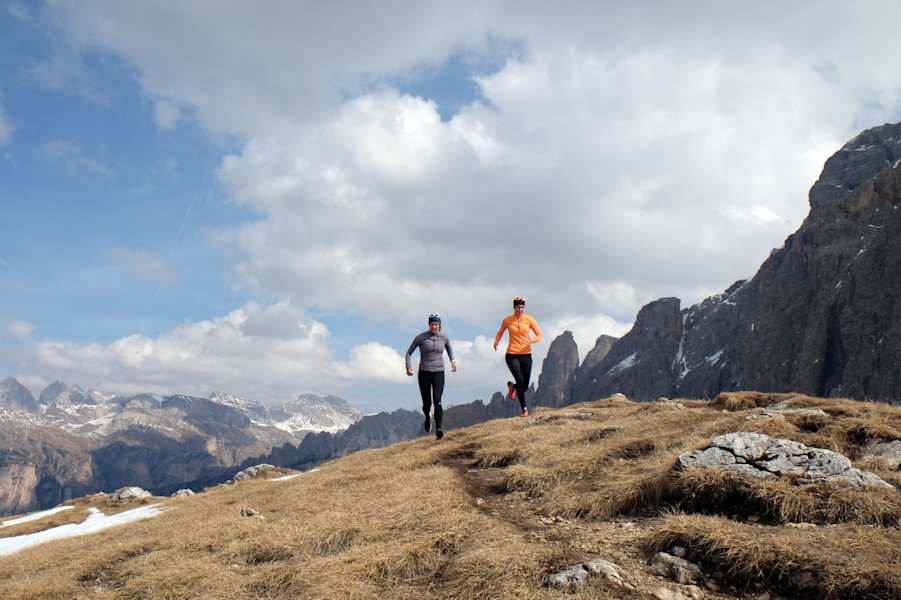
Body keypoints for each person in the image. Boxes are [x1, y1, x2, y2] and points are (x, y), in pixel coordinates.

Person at [406, 313, 457, 440]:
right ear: (429, 325)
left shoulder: (444, 337)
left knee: (437, 400)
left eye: (436, 324)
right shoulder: (421, 338)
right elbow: (409, 353)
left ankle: (439, 429)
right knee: (427, 403)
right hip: (424, 373)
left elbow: (449, 348)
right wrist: (408, 367)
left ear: (439, 325)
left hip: (439, 372)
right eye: (432, 324)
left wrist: (453, 361)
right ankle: (428, 417)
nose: (434, 326)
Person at [494, 296, 543, 416]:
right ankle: (524, 409)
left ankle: (513, 386)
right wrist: (496, 341)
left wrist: (532, 340)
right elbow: (500, 332)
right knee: (520, 380)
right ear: (514, 308)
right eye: (518, 307)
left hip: (526, 355)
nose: (520, 310)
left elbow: (539, 335)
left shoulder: (529, 319)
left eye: (522, 307)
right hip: (512, 355)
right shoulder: (507, 320)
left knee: (524, 386)